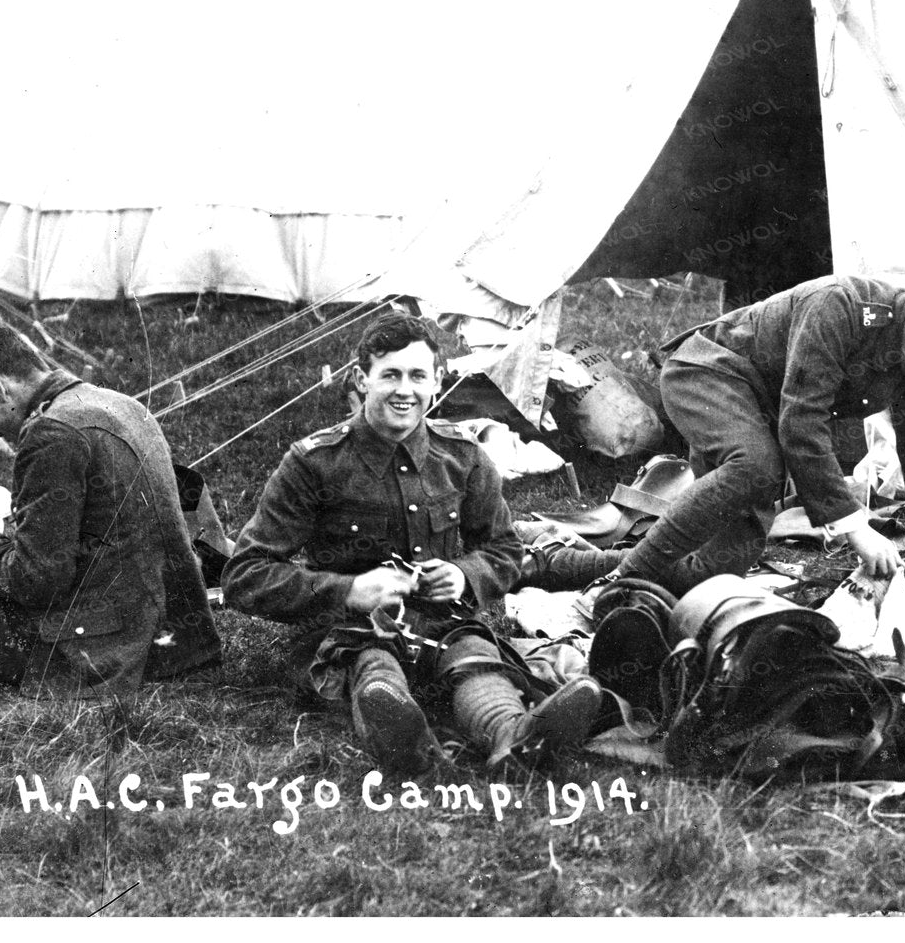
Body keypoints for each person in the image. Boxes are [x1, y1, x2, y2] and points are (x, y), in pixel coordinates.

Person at [223, 313, 627, 777]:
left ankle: (515, 739)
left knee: (475, 660)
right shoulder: (314, 464)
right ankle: (406, 741)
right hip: (347, 631)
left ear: (438, 381)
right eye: (389, 375)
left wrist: (464, 575)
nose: (404, 390)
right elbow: (244, 575)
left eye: (417, 376)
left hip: (445, 624)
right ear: (361, 380)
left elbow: (506, 550)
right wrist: (347, 591)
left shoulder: (463, 457)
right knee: (373, 665)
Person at [614, 273, 905, 596]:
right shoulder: (841, 304)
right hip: (711, 374)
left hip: (763, 409)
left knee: (716, 570)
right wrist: (856, 527)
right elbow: (803, 425)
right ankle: (616, 583)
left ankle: (565, 564)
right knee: (757, 466)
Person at [0, 321, 222, 697]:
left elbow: (36, 581)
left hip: (107, 653)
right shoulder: (125, 405)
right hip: (177, 640)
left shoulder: (51, 432)